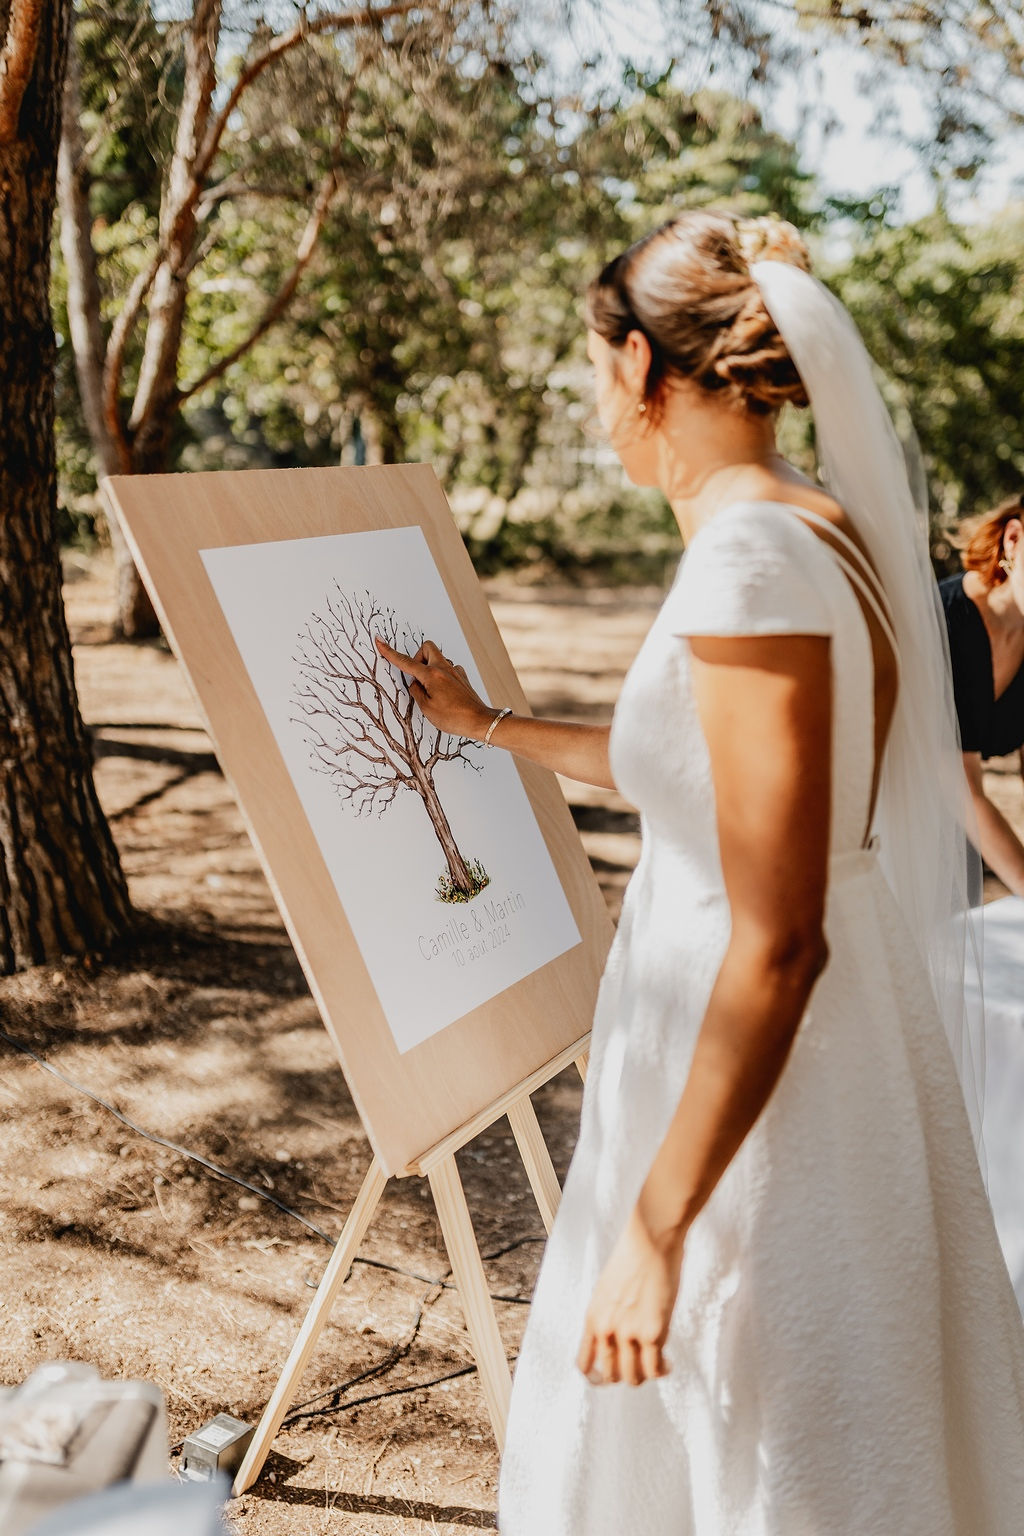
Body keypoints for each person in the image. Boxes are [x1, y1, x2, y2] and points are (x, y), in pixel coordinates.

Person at [377, 210, 1024, 1534]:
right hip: (782, 1043)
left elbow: (781, 935)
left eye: (595, 365)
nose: (591, 400)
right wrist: (482, 726)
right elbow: (703, 765)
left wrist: (659, 1228)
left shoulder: (749, 563)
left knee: (776, 1438)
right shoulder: (818, 529)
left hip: (779, 1079)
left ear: (651, 374)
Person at [940, 495, 1024, 897]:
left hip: (972, 846)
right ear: (1013, 538)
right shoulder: (943, 622)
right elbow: (963, 792)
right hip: (892, 827)